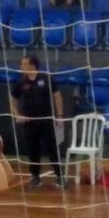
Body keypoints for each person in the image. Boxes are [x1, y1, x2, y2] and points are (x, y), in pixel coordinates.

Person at [10, 55, 65, 190]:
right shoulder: (21, 83)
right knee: (33, 150)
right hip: (30, 122)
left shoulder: (46, 78)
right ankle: (35, 177)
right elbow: (12, 97)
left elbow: (57, 97)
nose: (21, 67)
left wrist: (59, 116)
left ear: (33, 66)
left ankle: (60, 176)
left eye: (24, 64)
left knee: (53, 149)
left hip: (47, 120)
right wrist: (17, 114)